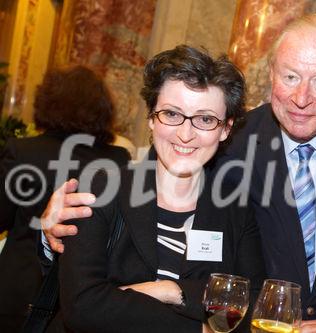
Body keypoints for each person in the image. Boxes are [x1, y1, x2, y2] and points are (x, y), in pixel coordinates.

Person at [42, 14, 316, 333]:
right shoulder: (229, 139)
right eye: (290, 76)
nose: (302, 98)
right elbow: (164, 163)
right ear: (271, 76)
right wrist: (54, 227)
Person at [47, 46, 265, 332]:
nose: (185, 134)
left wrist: (172, 290)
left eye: (205, 119)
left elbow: (253, 304)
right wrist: (199, 328)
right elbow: (83, 307)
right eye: (172, 114)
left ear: (226, 129)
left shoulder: (235, 207)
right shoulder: (102, 188)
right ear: (151, 117)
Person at [0, 65, 130, 332]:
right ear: (103, 111)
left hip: (19, 290)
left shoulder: (23, 151)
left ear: (47, 104)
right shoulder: (117, 159)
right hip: (83, 296)